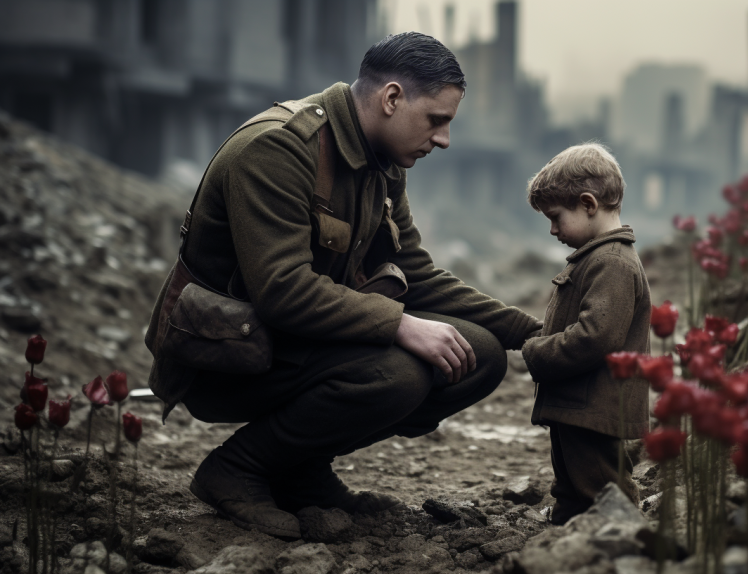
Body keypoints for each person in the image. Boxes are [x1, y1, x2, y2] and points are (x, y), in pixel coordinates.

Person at [144, 32, 541, 539]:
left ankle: (302, 470)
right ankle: (239, 469)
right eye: (436, 120)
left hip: (295, 345)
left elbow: (414, 272)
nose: (443, 140)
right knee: (399, 374)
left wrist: (535, 334)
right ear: (392, 98)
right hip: (225, 358)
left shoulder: (381, 158)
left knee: (478, 354)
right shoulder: (278, 150)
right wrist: (400, 325)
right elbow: (283, 290)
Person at [521, 143, 651, 525]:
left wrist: (539, 352)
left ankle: (620, 530)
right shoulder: (597, 257)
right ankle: (566, 518)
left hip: (594, 403)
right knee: (570, 470)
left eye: (557, 217)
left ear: (589, 204)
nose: (553, 229)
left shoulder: (611, 263)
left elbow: (597, 335)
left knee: (598, 479)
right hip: (580, 402)